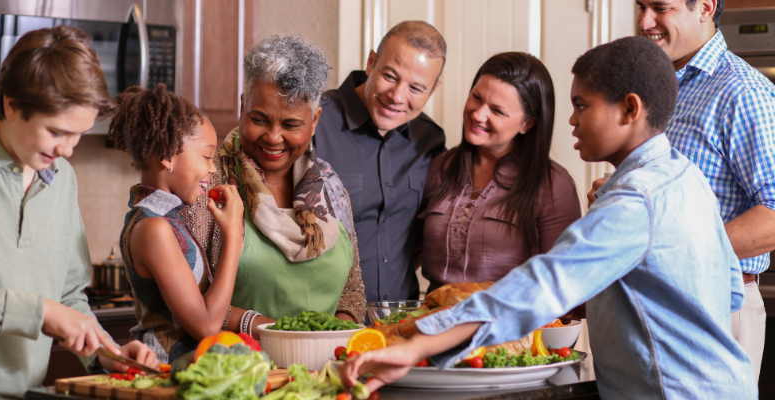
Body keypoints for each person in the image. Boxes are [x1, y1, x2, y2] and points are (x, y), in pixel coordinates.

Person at [341, 36, 756, 399]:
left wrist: (416, 346)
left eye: (582, 105)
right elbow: (729, 291)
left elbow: (545, 286)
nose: (572, 120)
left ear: (629, 110)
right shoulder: (683, 173)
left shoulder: (636, 200)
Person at [581, 0, 775, 380]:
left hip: (716, 302)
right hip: (645, 304)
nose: (644, 20)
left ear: (704, 7)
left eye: (660, 7)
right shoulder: (654, 88)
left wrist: (668, 245)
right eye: (641, 6)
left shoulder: (741, 91)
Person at [0, 26, 159, 398]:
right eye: (58, 132)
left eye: (79, 135)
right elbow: (49, 310)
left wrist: (107, 354)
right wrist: (39, 312)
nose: (69, 150)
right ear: (11, 105)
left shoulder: (61, 177)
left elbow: (69, 297)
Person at [183, 34, 367, 333]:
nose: (273, 137)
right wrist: (283, 332)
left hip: (323, 369)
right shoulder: (206, 182)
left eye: (292, 125)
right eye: (259, 119)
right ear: (243, 107)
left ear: (315, 120)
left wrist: (331, 336)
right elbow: (188, 301)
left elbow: (352, 290)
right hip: (238, 366)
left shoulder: (330, 187)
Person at [416, 52, 581, 294]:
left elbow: (563, 284)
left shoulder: (553, 184)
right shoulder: (439, 166)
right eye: (476, 97)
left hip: (509, 329)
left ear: (529, 123)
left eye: (498, 111)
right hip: (430, 324)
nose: (478, 114)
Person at [108, 84, 245, 363]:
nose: (213, 168)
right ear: (167, 155)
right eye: (207, 156)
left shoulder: (167, 220)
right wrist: (233, 237)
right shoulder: (153, 228)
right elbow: (206, 325)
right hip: (162, 374)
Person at [313, 21, 447, 304]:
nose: (397, 96)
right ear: (371, 62)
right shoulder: (314, 124)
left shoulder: (431, 140)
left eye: (416, 88)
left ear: (433, 90)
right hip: (324, 322)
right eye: (390, 75)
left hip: (400, 322)